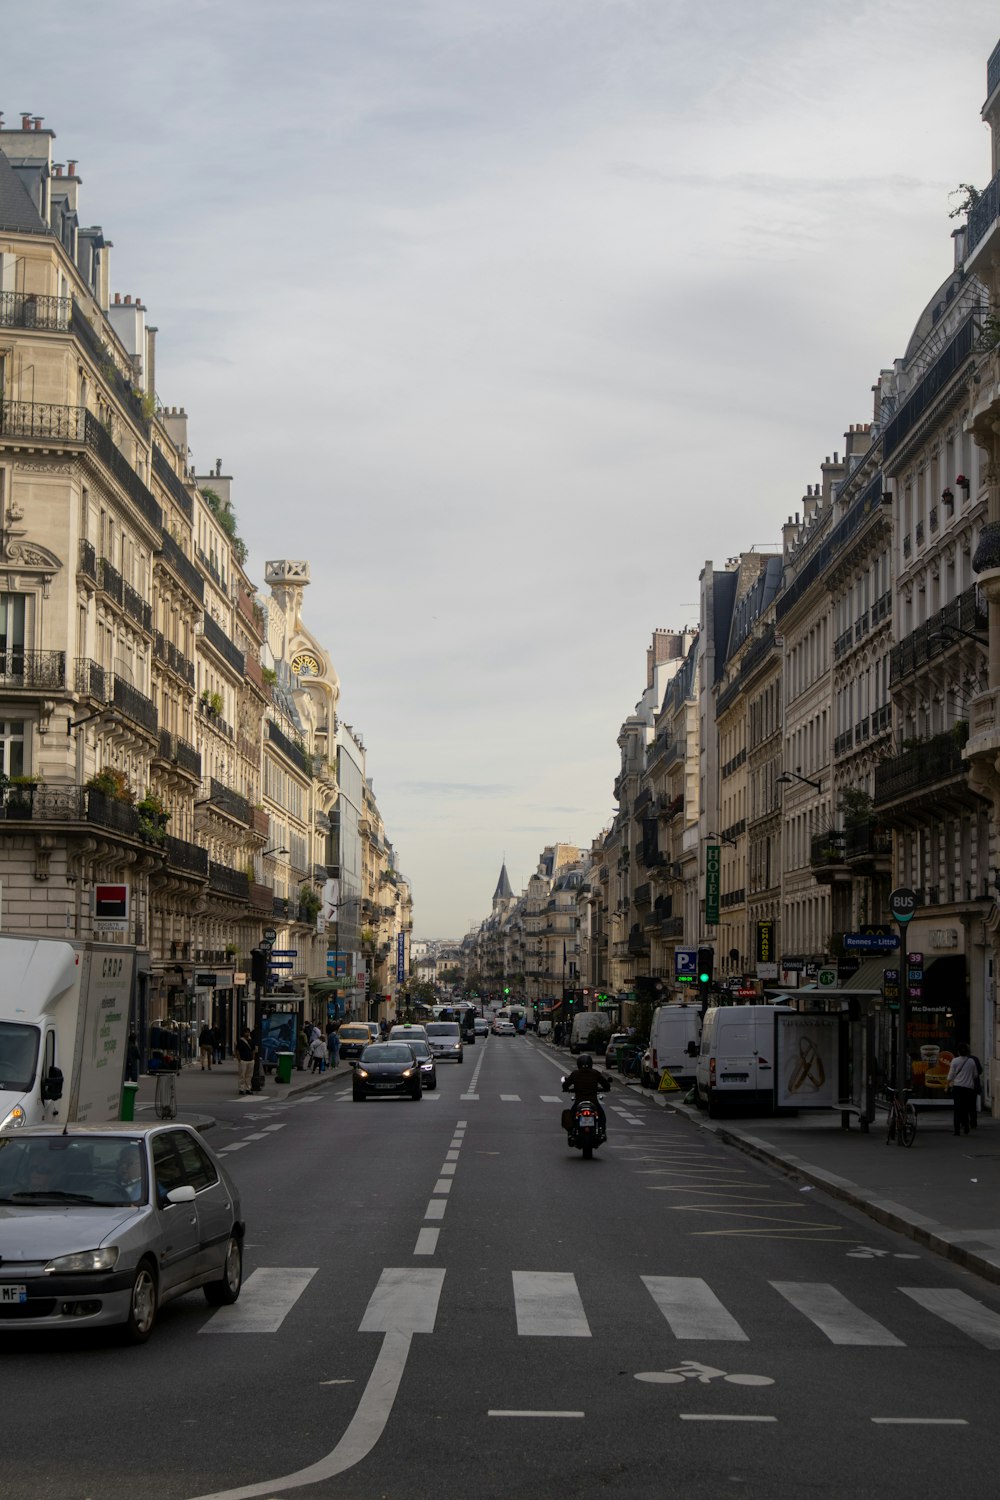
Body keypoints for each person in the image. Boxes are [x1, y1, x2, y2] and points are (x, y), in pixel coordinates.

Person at [561, 1053, 611, 1135]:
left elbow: (565, 1085)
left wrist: (566, 1089)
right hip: (593, 1101)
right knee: (601, 1116)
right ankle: (602, 1132)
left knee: (571, 1115)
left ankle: (571, 1133)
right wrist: (606, 1088)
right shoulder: (595, 1073)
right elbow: (606, 1084)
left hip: (579, 1101)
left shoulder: (575, 1073)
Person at [947, 1044, 979, 1136]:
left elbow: (950, 1075)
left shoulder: (955, 1061)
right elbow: (975, 1075)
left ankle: (957, 1130)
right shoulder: (971, 1061)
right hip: (968, 1088)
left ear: (958, 1052)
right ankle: (966, 1127)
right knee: (965, 1108)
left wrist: (947, 1085)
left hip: (957, 1087)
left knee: (957, 1109)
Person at [236, 1027, 256, 1096]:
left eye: (248, 1032)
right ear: (243, 1033)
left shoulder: (251, 1041)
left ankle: (248, 1088)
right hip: (243, 1060)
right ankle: (241, 1089)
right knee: (242, 1075)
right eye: (246, 1032)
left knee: (249, 1076)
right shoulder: (240, 1041)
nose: (247, 1033)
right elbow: (237, 1051)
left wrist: (253, 1059)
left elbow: (253, 1050)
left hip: (250, 1060)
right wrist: (239, 1059)